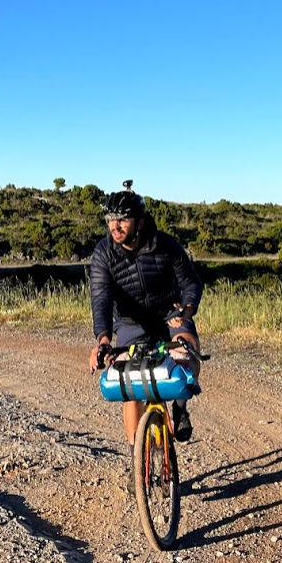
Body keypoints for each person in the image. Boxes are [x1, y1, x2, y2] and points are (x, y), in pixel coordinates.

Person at [88, 180, 203, 446]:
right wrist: (103, 340)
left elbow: (190, 282)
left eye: (123, 220)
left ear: (139, 222)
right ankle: (135, 456)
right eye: (110, 220)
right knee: (131, 384)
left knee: (189, 350)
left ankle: (181, 408)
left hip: (170, 314)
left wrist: (186, 310)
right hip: (131, 322)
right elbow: (101, 298)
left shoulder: (166, 245)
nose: (114, 227)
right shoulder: (103, 254)